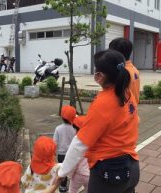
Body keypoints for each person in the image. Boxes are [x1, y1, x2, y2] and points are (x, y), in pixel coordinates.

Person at [52, 50, 140, 193]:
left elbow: (79, 144)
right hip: (132, 166)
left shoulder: (103, 102)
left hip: (109, 173)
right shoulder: (126, 93)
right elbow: (114, 121)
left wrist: (62, 173)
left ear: (99, 76)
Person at [109, 37, 140, 103]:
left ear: (115, 54)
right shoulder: (134, 69)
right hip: (132, 108)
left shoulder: (120, 72)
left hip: (123, 110)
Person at [53, 105, 76, 192]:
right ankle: (73, 185)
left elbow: (54, 142)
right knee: (72, 169)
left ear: (62, 116)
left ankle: (62, 186)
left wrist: (54, 153)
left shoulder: (58, 128)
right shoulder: (75, 128)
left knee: (63, 170)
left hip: (61, 154)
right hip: (72, 153)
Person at [67, 115, 90, 193]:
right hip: (90, 174)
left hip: (78, 174)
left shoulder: (77, 143)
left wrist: (70, 175)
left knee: (72, 190)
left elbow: (73, 161)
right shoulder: (93, 139)